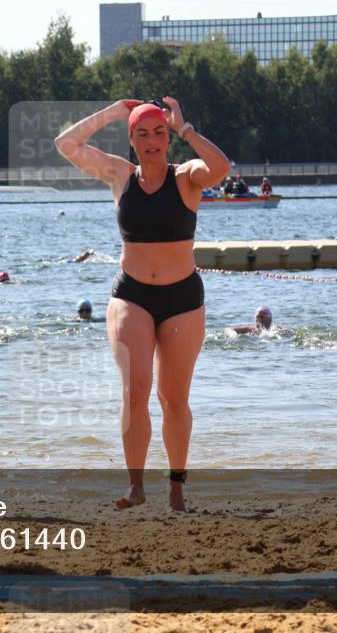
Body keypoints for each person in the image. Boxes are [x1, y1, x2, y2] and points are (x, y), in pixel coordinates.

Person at [54, 97, 231, 511]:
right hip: (131, 294)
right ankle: (136, 485)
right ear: (131, 140)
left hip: (182, 298)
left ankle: (176, 484)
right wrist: (114, 112)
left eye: (158, 133)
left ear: (168, 138)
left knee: (173, 399)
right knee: (136, 392)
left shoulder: (186, 176)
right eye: (141, 133)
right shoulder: (119, 174)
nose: (151, 141)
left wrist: (186, 129)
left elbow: (221, 169)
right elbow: (66, 144)